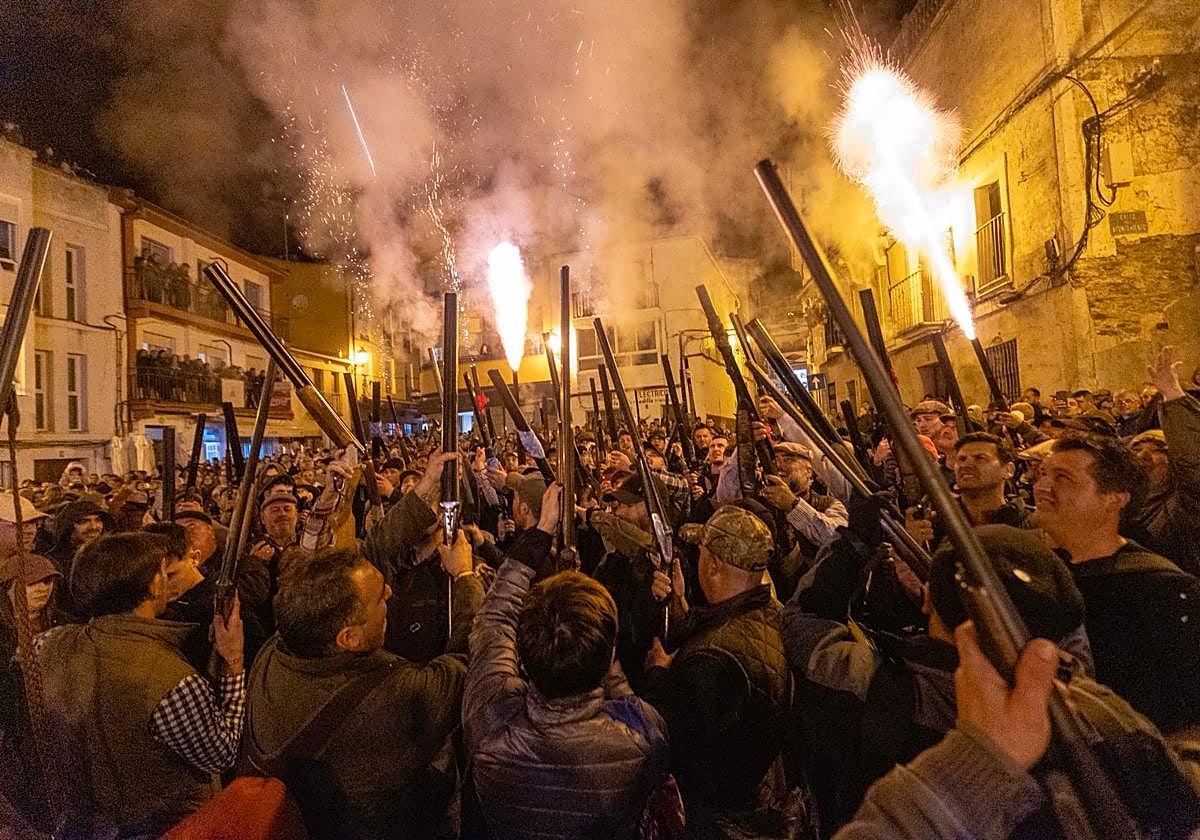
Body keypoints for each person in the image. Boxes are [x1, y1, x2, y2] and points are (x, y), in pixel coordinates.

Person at [783, 524, 1097, 836]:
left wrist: (852, 545)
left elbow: (806, 625)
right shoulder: (1087, 714)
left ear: (928, 598)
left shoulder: (875, 684)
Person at [463, 483, 668, 839]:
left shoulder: (490, 720)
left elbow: (494, 619)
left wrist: (541, 531)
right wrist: (613, 670)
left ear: (524, 656)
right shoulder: (640, 732)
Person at [242, 542, 480, 839]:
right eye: (380, 598)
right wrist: (465, 576)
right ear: (349, 638)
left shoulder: (275, 650)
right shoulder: (393, 694)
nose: (391, 594)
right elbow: (465, 662)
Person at [38, 532, 244, 836]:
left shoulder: (50, 643)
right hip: (162, 825)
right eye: (162, 572)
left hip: (84, 817)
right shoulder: (170, 678)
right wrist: (233, 665)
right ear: (153, 586)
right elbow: (221, 752)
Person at [1033, 433, 1200, 733]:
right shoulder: (1032, 574)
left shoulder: (1160, 589)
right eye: (1043, 474)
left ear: (1115, 498)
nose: (1043, 487)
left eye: (1063, 478)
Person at [642, 505, 792, 836]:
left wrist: (658, 675)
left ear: (712, 566)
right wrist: (680, 604)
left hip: (712, 817)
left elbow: (669, 740)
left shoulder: (713, 658)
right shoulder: (774, 614)